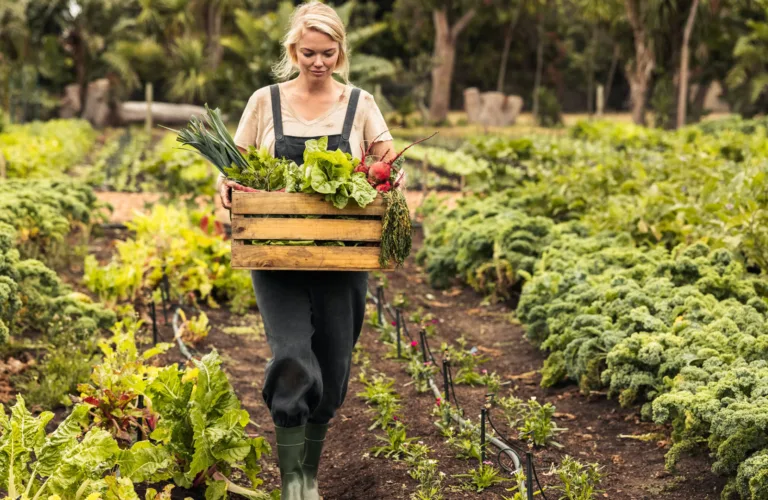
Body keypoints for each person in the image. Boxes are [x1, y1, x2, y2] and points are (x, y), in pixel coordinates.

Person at [216, 2, 403, 499]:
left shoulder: (359, 103)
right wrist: (226, 186)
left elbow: (386, 158)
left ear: (340, 51)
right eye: (307, 53)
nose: (318, 62)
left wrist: (392, 176)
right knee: (294, 356)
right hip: (277, 255)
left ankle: (310, 472)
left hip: (343, 256)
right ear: (292, 52)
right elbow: (232, 166)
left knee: (335, 366)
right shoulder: (265, 101)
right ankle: (291, 481)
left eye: (327, 52)